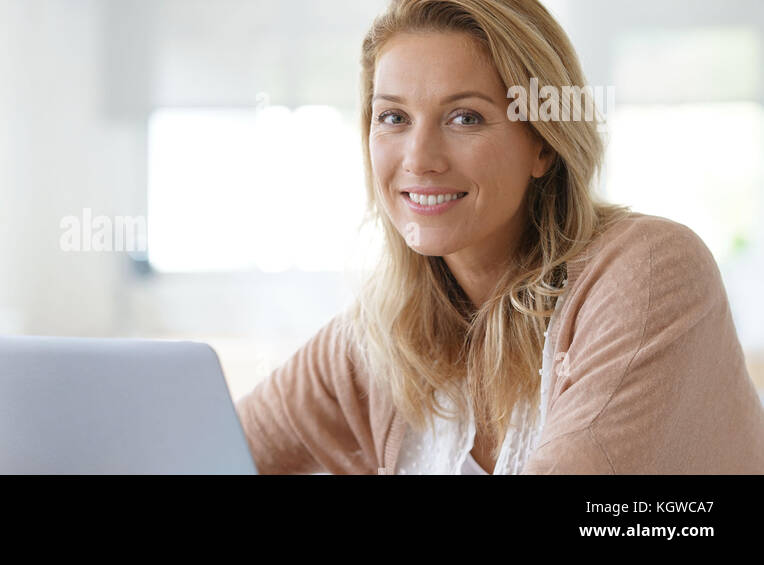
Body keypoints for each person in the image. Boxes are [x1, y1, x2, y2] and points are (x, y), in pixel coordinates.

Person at [234, 0, 764, 474]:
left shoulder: (652, 271)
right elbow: (204, 454)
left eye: (465, 117)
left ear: (543, 144)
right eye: (393, 116)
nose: (418, 158)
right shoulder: (378, 339)